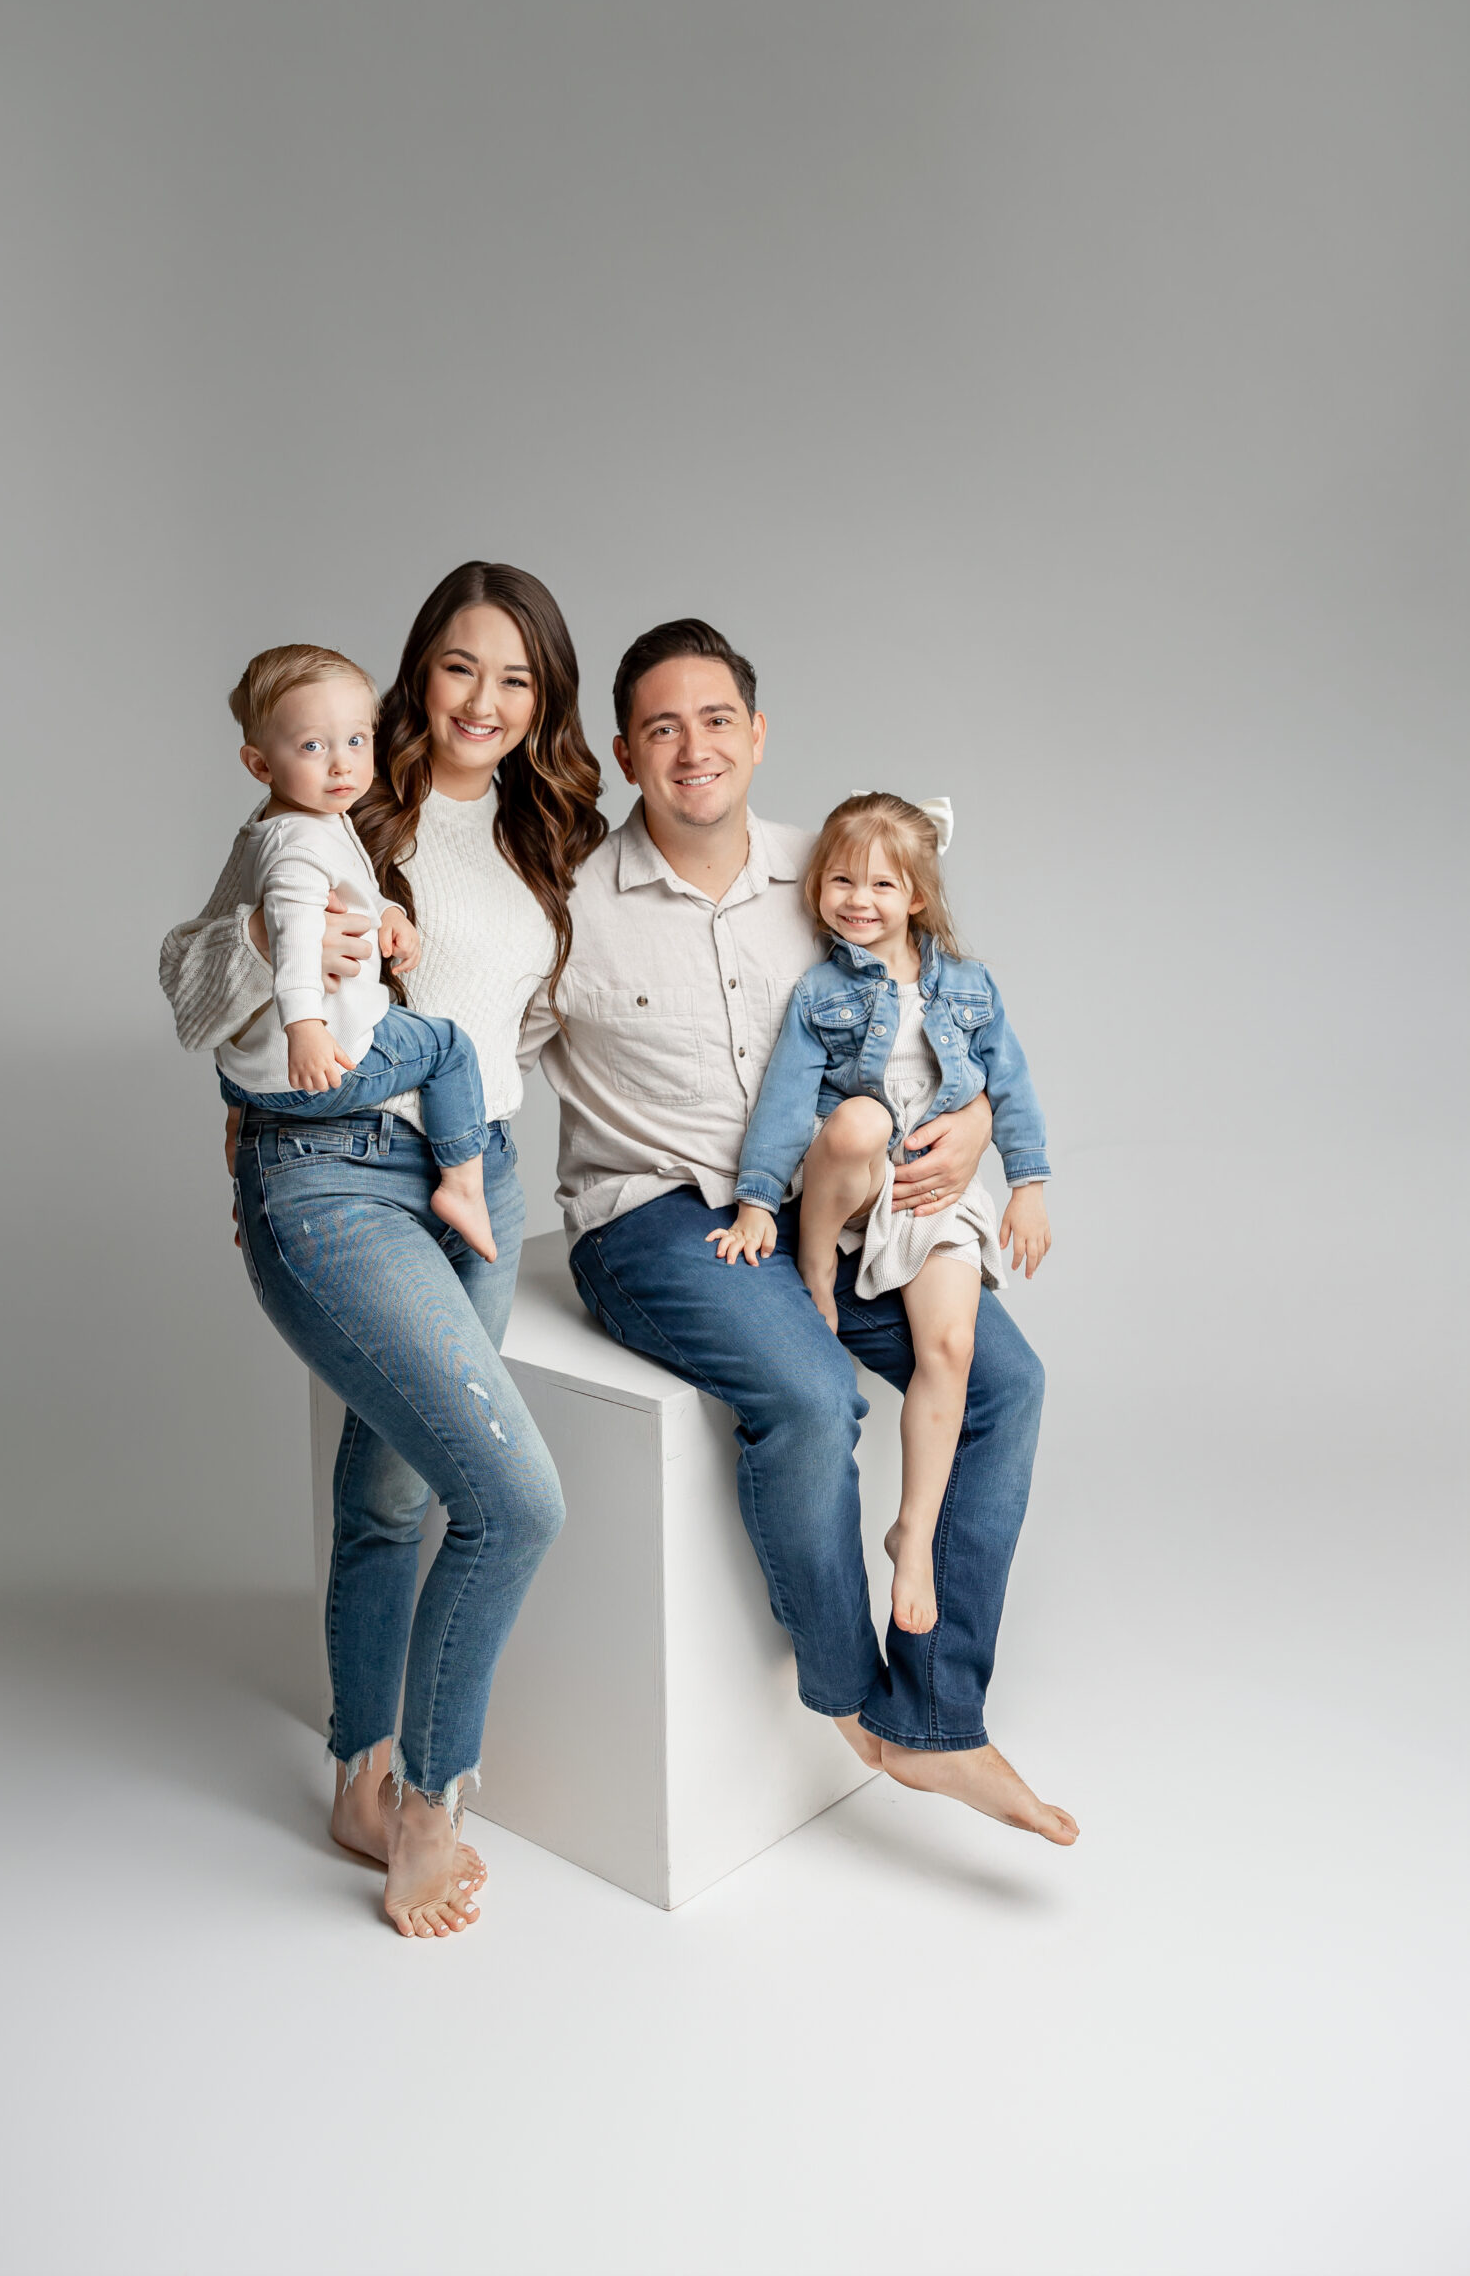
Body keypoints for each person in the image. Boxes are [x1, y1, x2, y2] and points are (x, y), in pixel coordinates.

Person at [525, 620, 1077, 1846]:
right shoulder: (566, 908)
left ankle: (941, 1718)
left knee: (1008, 1385)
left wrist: (983, 1121)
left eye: (716, 718)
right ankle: (858, 1709)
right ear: (625, 751)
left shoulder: (833, 871)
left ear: (758, 734)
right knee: (817, 1396)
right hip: (658, 1217)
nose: (693, 747)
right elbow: (469, 1053)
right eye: (661, 727)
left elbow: (957, 1025)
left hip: (835, 1208)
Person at [159, 564, 607, 1934]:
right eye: (460, 667)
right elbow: (192, 989)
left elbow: (528, 1032)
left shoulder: (554, 838)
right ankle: (425, 1806)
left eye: (516, 679)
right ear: (418, 671)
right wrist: (258, 1046)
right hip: (338, 1178)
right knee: (513, 1501)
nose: (483, 700)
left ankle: (355, 1777)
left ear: (545, 704)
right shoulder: (338, 799)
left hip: (481, 1175)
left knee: (391, 1497)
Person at [708, 790, 1053, 1636]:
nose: (856, 900)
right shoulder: (821, 992)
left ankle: (914, 1532)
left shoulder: (969, 990)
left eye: (879, 886)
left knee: (953, 1347)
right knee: (858, 1118)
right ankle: (818, 1266)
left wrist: (1030, 1185)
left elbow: (1009, 1086)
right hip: (851, 1185)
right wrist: (757, 1201)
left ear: (917, 898)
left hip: (929, 1196)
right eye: (838, 881)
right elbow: (787, 1102)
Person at [215, 641, 497, 1263]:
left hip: (250, 1072)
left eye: (357, 740)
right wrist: (307, 1030)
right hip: (320, 1061)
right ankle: (464, 1187)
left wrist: (390, 914)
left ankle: (243, 1129)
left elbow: (356, 885)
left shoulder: (308, 819)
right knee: (449, 1047)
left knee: (248, 1059)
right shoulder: (296, 850)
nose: (342, 765)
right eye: (313, 746)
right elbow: (291, 947)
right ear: (260, 765)